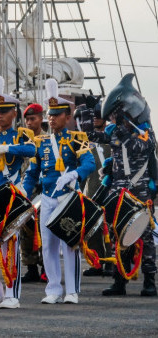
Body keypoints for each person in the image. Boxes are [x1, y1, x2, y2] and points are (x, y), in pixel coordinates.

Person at [23, 78, 95, 305]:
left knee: (70, 244)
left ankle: (72, 290)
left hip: (68, 198)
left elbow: (89, 162)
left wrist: (75, 174)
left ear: (67, 116)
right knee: (48, 245)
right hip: (47, 197)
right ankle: (53, 288)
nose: (52, 119)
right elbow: (32, 173)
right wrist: (23, 193)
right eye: (50, 114)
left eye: (57, 114)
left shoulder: (77, 139)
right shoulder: (40, 142)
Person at [84, 74, 157, 297]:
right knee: (118, 235)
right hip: (118, 190)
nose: (116, 118)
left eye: (119, 113)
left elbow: (137, 147)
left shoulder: (145, 133)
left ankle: (150, 280)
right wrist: (90, 113)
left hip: (139, 190)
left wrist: (122, 127)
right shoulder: (113, 131)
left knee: (143, 235)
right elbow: (90, 136)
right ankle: (119, 280)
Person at [0, 76, 36, 309]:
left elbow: (31, 151)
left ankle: (12, 294)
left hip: (10, 198)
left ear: (14, 113)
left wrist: (8, 148)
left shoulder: (20, 136)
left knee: (9, 245)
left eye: (3, 111)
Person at [73, 98, 113, 277]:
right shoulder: (83, 142)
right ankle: (97, 263)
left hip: (110, 189)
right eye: (92, 117)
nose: (95, 119)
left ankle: (113, 262)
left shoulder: (112, 138)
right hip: (91, 190)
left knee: (112, 228)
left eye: (99, 116)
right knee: (93, 229)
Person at [20, 103, 47, 283]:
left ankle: (46, 267)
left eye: (33, 119)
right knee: (25, 229)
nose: (29, 123)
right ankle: (30, 267)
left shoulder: (47, 140)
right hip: (26, 189)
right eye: (27, 119)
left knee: (44, 230)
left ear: (41, 118)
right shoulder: (21, 141)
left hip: (44, 190)